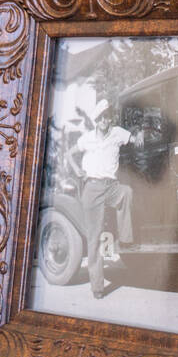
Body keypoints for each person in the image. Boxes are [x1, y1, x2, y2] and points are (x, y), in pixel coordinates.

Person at [66, 99, 139, 299]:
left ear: (109, 118)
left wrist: (139, 135)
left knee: (127, 193)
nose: (104, 120)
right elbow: (70, 153)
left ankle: (126, 240)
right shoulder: (87, 138)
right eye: (100, 118)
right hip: (93, 188)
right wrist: (77, 170)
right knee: (95, 237)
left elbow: (134, 139)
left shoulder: (117, 133)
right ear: (95, 121)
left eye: (106, 116)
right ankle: (97, 287)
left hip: (112, 186)